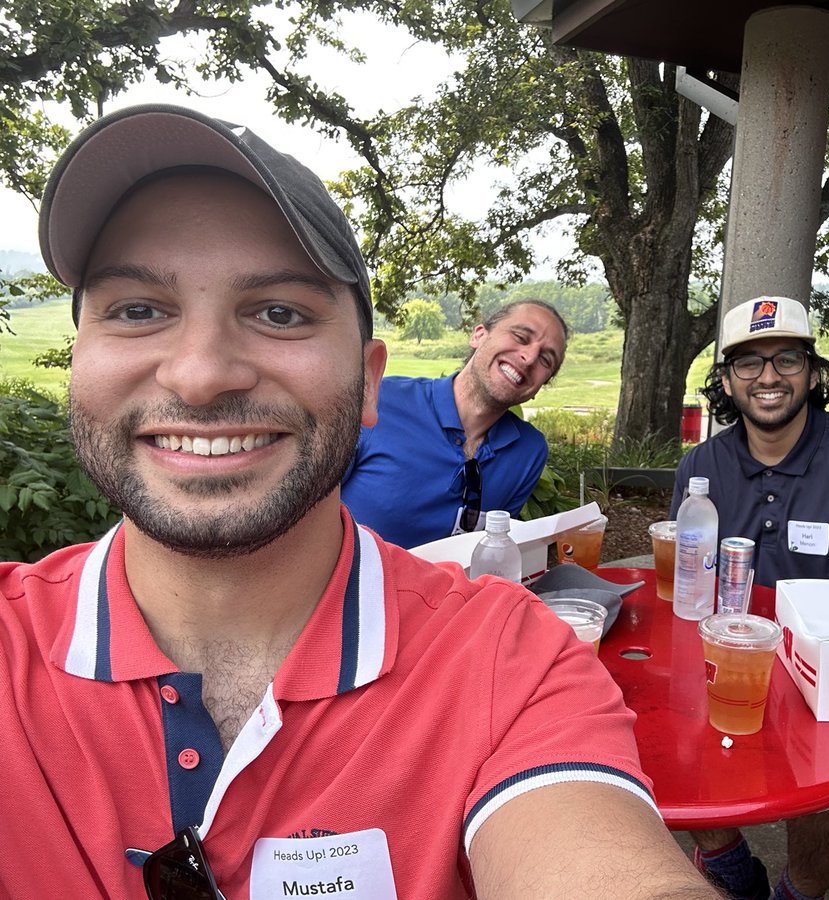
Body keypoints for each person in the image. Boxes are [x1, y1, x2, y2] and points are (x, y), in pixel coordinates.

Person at [1, 104, 720, 900]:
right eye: (137, 310)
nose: (200, 375)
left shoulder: (509, 660)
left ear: (365, 380)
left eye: (279, 312)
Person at [671, 296, 829, 900]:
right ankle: (726, 858)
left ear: (812, 372)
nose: (768, 377)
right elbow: (687, 584)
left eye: (786, 358)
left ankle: (799, 890)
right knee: (654, 714)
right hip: (728, 650)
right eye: (748, 363)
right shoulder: (700, 468)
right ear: (727, 380)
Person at [340, 299, 566, 547]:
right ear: (479, 335)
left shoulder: (529, 452)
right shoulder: (380, 401)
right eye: (521, 337)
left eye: (546, 360)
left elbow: (494, 548)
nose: (529, 357)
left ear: (539, 387)